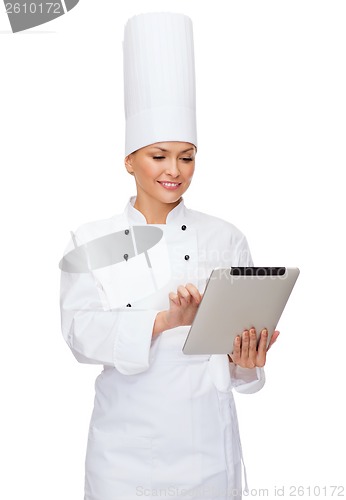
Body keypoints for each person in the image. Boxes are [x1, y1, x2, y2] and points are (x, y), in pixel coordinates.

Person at [59, 12, 279, 500]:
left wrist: (248, 357)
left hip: (208, 452)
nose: (174, 170)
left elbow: (236, 364)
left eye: (187, 155)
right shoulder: (93, 238)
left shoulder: (227, 237)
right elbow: (79, 335)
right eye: (158, 155)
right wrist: (162, 321)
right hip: (125, 455)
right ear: (129, 160)